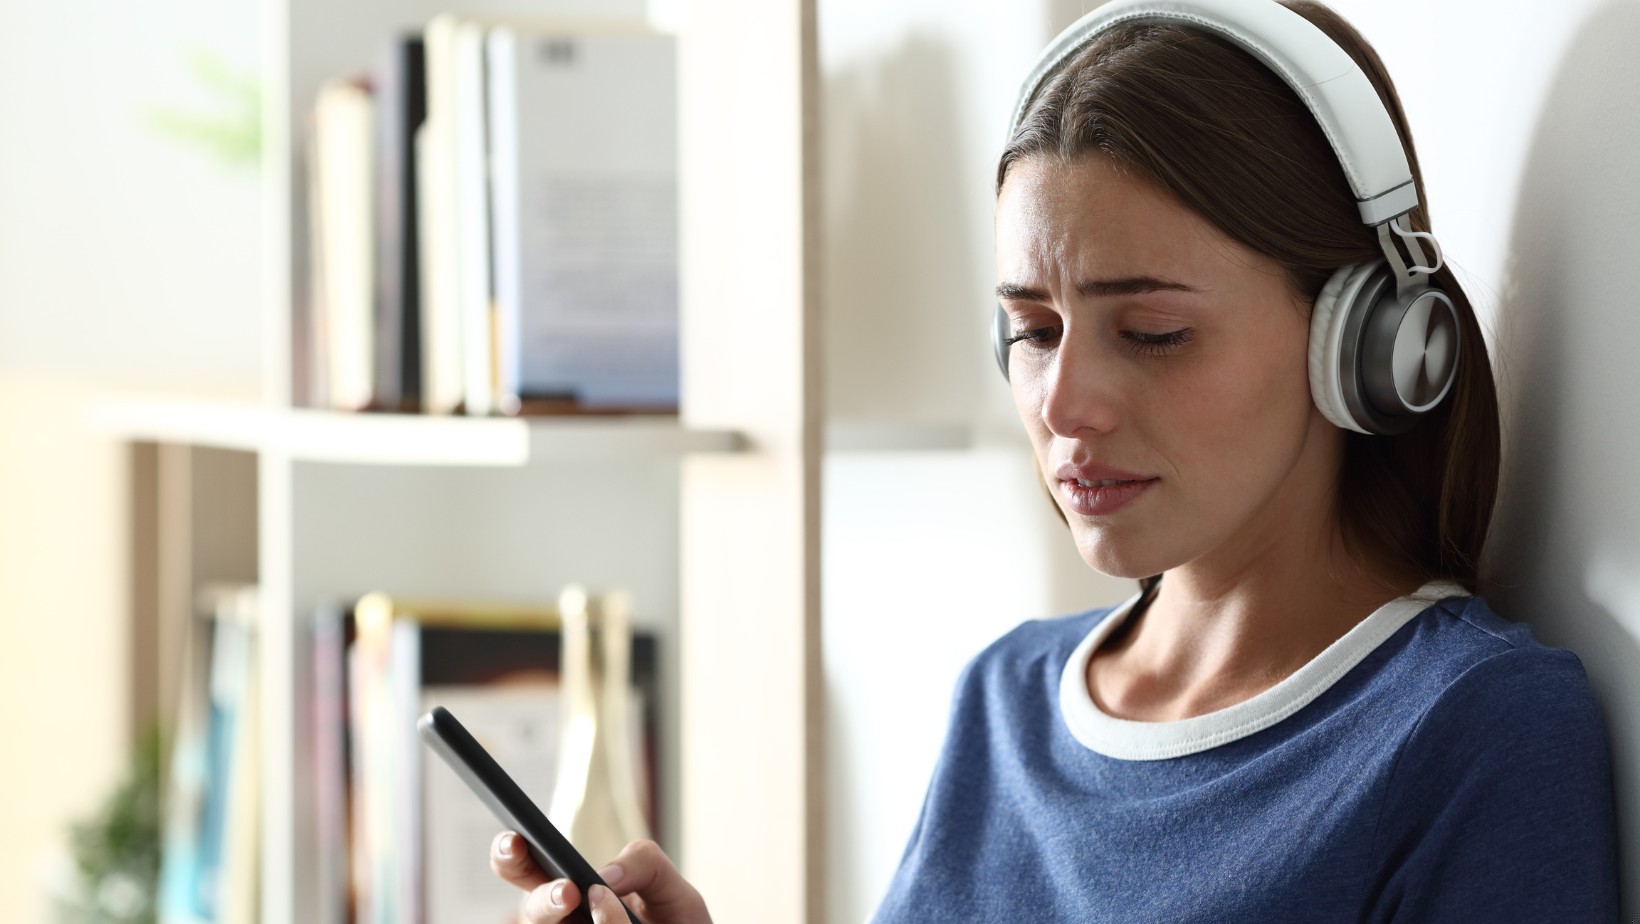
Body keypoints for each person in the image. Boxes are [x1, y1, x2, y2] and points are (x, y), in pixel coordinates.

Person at [490, 0, 1623, 920]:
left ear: (1367, 343)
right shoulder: (1006, 701)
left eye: (1153, 334)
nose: (1064, 402)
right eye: (1031, 329)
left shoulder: (1474, 728)